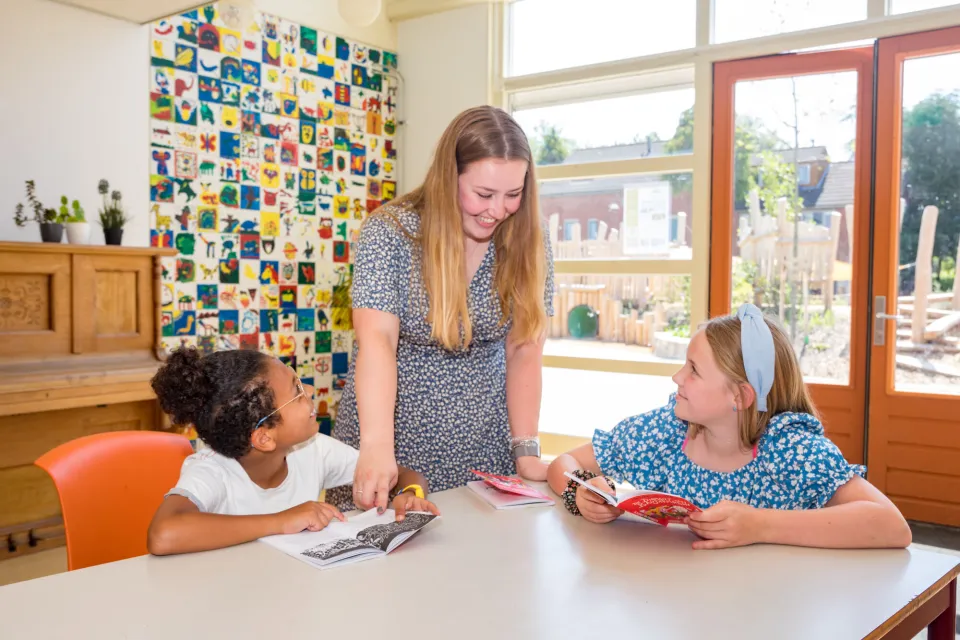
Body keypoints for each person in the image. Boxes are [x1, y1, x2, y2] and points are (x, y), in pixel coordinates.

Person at [328, 105, 554, 512]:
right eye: (483, 194)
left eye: (513, 194)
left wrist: (526, 450)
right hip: (393, 444)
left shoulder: (529, 239)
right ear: (449, 177)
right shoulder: (392, 232)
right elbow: (377, 341)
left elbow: (525, 349)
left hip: (485, 449)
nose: (498, 210)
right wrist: (377, 446)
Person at [547, 304, 912, 550]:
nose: (677, 377)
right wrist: (578, 494)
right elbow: (562, 463)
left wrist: (760, 526)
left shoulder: (789, 449)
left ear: (740, 396)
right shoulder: (668, 431)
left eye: (694, 370)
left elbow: (892, 526)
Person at [146, 347, 439, 556]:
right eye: (297, 391)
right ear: (264, 437)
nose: (310, 391)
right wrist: (281, 521)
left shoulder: (311, 450)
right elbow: (163, 534)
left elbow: (399, 474)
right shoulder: (212, 469)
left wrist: (409, 494)